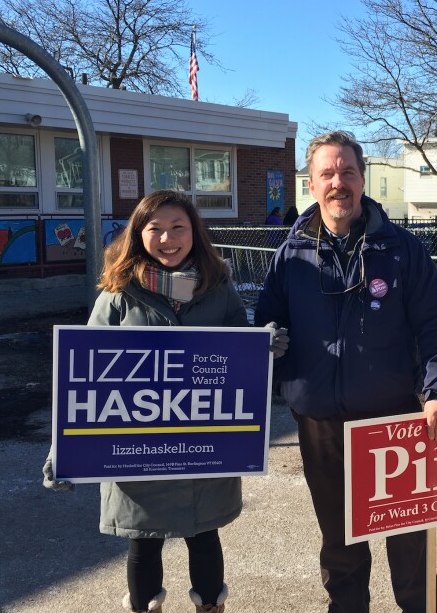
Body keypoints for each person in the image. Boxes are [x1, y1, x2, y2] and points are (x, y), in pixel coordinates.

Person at [42, 190, 288, 613]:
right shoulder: (119, 294)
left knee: (205, 537)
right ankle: (143, 608)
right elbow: (82, 376)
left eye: (178, 227)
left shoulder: (219, 289)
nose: (168, 238)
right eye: (155, 228)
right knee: (142, 545)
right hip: (137, 449)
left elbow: (238, 358)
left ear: (195, 232)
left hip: (202, 451)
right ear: (139, 234)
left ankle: (210, 606)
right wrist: (62, 450)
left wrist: (262, 349)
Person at [255, 131, 437, 613]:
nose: (338, 182)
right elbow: (267, 319)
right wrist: (269, 342)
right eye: (327, 173)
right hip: (321, 421)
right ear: (312, 183)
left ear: (362, 179)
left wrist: (436, 391)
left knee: (409, 537)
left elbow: (435, 326)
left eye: (347, 172)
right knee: (340, 539)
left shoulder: (402, 249)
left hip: (396, 420)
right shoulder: (291, 253)